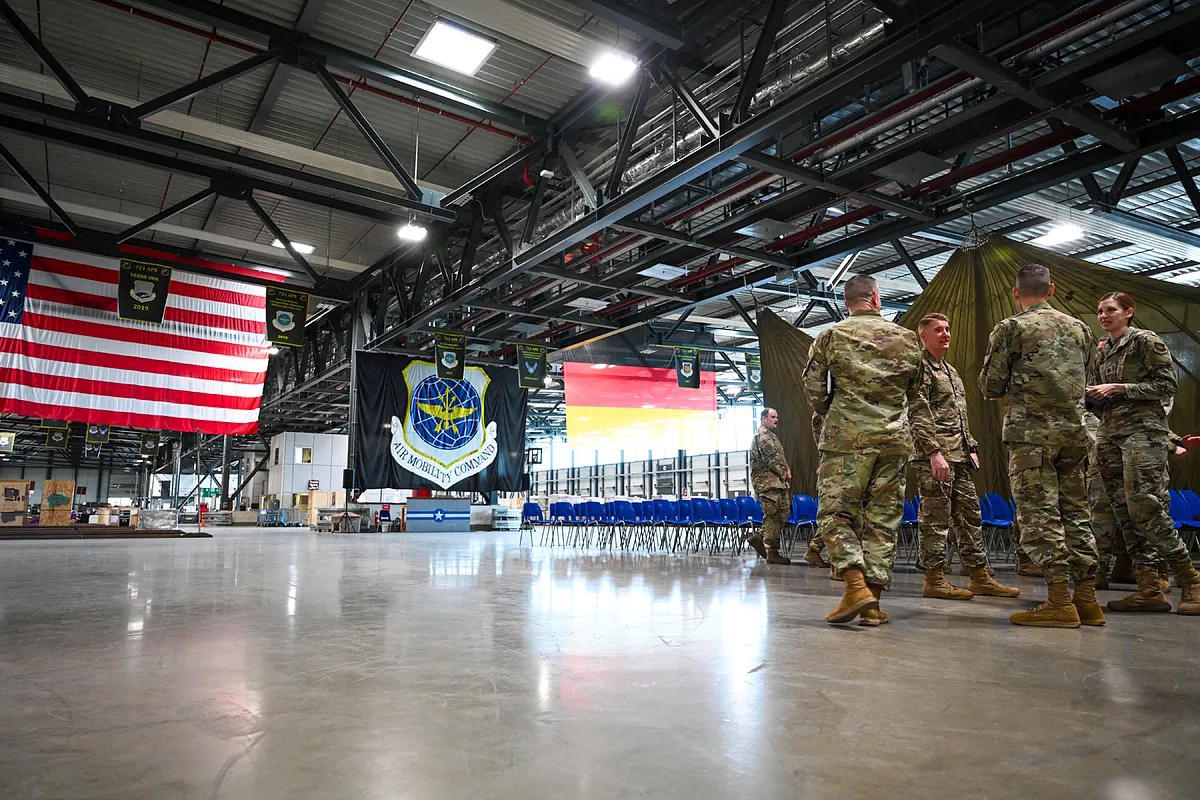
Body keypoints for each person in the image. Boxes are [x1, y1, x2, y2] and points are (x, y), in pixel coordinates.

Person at [803, 274, 941, 626]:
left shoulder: (831, 337)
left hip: (847, 439)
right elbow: (916, 395)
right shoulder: (909, 339)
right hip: (895, 442)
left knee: (835, 515)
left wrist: (834, 411)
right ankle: (873, 605)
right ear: (876, 298)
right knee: (883, 521)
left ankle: (854, 585)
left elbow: (815, 390)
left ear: (847, 302)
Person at [978, 263, 1102, 628]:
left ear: (1017, 293)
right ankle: (1087, 600)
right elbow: (1086, 380)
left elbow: (990, 385)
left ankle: (1060, 602)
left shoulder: (1011, 328)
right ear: (1051, 290)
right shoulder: (1080, 328)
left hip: (1031, 437)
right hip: (1075, 436)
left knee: (1039, 516)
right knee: (1076, 514)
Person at [1088, 292, 1200, 615]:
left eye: (1111, 310)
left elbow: (1167, 385)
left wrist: (1121, 388)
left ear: (1129, 312)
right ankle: (1149, 587)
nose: (1104, 316)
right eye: (1100, 311)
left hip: (1143, 434)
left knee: (1145, 508)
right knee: (1124, 513)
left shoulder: (1144, 342)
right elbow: (1100, 393)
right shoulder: (1103, 351)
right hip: (1109, 436)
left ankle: (1189, 579)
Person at [912, 313, 1020, 600]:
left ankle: (978, 576)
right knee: (936, 519)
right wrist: (933, 452)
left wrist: (970, 446)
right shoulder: (919, 369)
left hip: (958, 454)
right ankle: (934, 579)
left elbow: (959, 416)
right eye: (938, 330)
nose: (946, 334)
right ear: (923, 336)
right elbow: (917, 414)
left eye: (948, 329)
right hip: (934, 457)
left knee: (970, 515)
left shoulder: (950, 371)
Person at [747, 407, 793, 565]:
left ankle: (760, 537)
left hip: (778, 483)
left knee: (782, 514)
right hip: (768, 484)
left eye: (777, 417)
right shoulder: (764, 437)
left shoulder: (771, 436)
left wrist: (785, 470)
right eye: (773, 417)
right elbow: (773, 460)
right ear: (763, 419)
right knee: (773, 516)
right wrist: (784, 472)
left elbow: (779, 458)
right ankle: (771, 551)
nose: (776, 420)